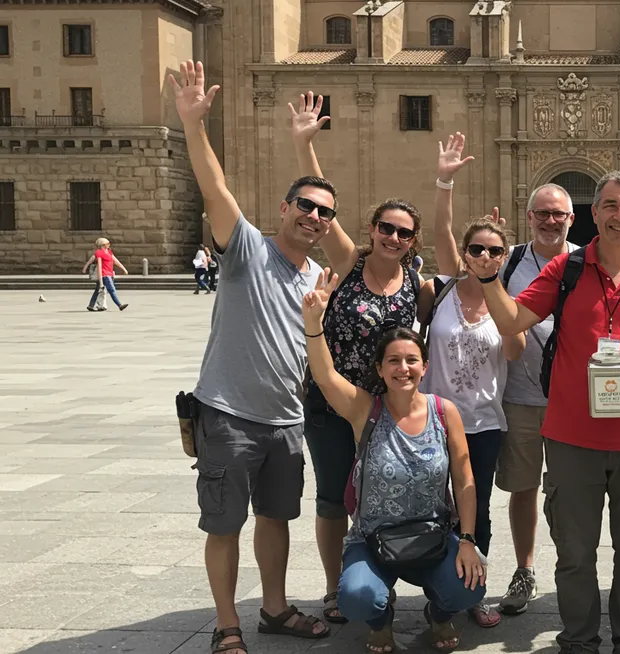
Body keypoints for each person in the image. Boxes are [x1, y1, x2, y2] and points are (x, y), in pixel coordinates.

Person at [464, 170, 620, 653]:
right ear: (595, 213)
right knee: (573, 556)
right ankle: (580, 643)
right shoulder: (564, 271)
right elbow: (511, 320)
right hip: (570, 438)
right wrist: (487, 277)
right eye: (610, 205)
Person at [172, 60, 334, 654]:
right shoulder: (244, 248)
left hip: (287, 421)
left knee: (276, 520)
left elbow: (352, 240)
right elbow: (215, 187)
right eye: (305, 207)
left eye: (323, 212)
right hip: (229, 414)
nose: (314, 217)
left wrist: (306, 149)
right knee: (223, 525)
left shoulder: (319, 274)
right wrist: (193, 126)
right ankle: (226, 623)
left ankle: (272, 608)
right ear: (284, 208)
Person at [289, 92, 425, 625]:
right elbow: (321, 202)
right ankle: (332, 587)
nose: (393, 236)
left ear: (413, 242)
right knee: (330, 498)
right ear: (371, 230)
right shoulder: (349, 261)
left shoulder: (418, 284)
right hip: (330, 401)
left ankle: (372, 579)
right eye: (385, 227)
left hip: (386, 411)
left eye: (403, 232)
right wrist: (305, 145)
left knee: (380, 498)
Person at [302, 272, 487, 654]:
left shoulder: (444, 411)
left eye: (411, 360)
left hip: (432, 537)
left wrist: (467, 540)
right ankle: (379, 619)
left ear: (425, 366)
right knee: (354, 597)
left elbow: (465, 480)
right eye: (394, 361)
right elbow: (324, 375)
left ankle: (439, 614)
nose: (403, 368)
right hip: (373, 540)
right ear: (380, 369)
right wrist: (313, 326)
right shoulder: (364, 409)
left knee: (471, 586)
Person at [420, 134, 526, 627]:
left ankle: (469, 592)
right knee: (430, 506)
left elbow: (516, 346)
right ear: (464, 253)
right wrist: (444, 180)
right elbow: (440, 229)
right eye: (477, 249)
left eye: (495, 250)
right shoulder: (440, 289)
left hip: (482, 425)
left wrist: (493, 287)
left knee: (475, 512)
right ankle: (434, 593)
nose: (485, 255)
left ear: (505, 256)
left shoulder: (507, 304)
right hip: (431, 421)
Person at [493, 181, 580, 615]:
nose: (550, 221)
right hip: (521, 395)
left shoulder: (587, 261)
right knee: (524, 487)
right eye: (542, 213)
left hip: (573, 401)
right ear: (529, 218)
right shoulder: (508, 263)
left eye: (558, 214)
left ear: (571, 218)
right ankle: (524, 569)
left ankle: (573, 569)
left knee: (569, 491)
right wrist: (445, 185)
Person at [83, 237, 130, 311]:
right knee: (111, 290)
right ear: (102, 245)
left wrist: (124, 269)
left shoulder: (109, 252)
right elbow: (99, 265)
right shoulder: (99, 253)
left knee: (97, 291)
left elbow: (116, 261)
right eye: (107, 244)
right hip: (105, 275)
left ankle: (91, 305)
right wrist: (100, 280)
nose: (109, 245)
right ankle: (119, 305)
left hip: (109, 273)